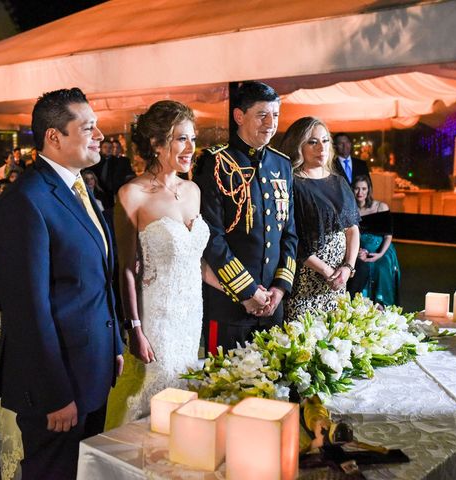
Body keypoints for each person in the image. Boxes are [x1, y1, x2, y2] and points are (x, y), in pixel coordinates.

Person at [0, 87, 123, 479]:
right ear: (54, 137)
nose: (100, 136)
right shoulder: (26, 201)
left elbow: (98, 278)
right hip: (58, 384)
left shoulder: (82, 189)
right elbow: (27, 310)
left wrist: (113, 342)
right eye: (88, 128)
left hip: (92, 367)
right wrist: (55, 394)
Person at [106, 100, 209, 428]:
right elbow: (125, 268)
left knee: (185, 390)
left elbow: (197, 260)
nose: (190, 147)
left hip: (192, 316)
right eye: (181, 138)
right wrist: (135, 328)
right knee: (150, 395)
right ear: (156, 143)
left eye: (193, 138)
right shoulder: (131, 195)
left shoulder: (193, 191)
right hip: (156, 318)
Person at [193, 81, 298, 353]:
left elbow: (289, 232)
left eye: (275, 115)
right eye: (262, 115)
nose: (270, 123)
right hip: (230, 305)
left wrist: (280, 288)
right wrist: (248, 291)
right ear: (239, 116)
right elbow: (212, 237)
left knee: (273, 389)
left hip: (273, 306)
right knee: (223, 390)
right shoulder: (215, 163)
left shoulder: (282, 164)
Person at [280, 117, 360, 319]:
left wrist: (347, 267)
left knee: (336, 341)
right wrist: (327, 271)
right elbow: (289, 237)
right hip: (306, 281)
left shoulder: (339, 182)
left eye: (325, 141)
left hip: (339, 281)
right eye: (312, 142)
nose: (321, 148)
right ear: (298, 146)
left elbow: (352, 229)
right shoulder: (292, 184)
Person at [347, 174, 401, 306]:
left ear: (369, 190)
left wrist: (379, 254)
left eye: (364, 189)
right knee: (361, 268)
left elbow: (388, 236)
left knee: (381, 267)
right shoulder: (349, 210)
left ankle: (383, 306)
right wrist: (358, 251)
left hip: (382, 250)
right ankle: (363, 308)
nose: (360, 192)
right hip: (360, 250)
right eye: (357, 188)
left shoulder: (381, 207)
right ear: (352, 189)